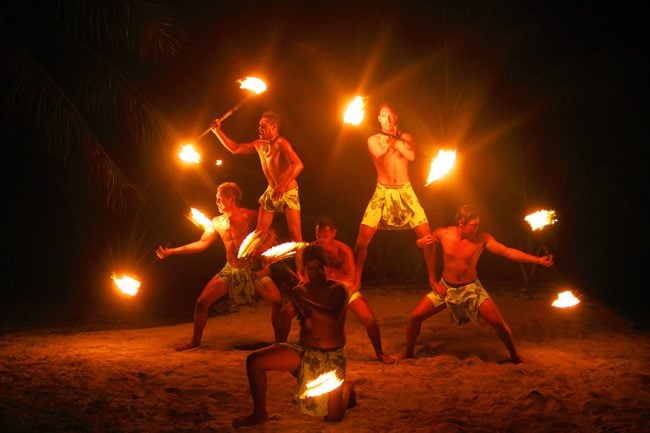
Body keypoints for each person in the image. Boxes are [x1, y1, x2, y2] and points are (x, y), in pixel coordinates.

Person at [398, 204, 555, 364]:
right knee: (415, 316)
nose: (476, 228)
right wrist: (420, 243)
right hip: (446, 287)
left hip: (472, 289)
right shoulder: (443, 234)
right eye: (473, 225)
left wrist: (538, 260)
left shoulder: (482, 238)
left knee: (498, 324)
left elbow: (507, 251)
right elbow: (425, 245)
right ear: (461, 223)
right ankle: (408, 353)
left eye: (478, 225)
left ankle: (515, 356)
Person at [233, 244, 356, 427]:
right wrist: (279, 343)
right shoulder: (300, 291)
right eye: (310, 269)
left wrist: (303, 301)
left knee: (333, 418)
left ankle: (346, 387)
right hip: (304, 351)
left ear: (326, 266)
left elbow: (331, 317)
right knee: (254, 361)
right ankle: (260, 414)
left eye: (319, 267)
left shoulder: (338, 290)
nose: (315, 273)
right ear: (305, 269)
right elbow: (287, 315)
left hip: (332, 356)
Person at [156, 182, 283, 351]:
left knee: (277, 301)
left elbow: (270, 228)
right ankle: (195, 341)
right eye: (216, 199)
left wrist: (266, 245)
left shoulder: (249, 215)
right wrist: (172, 251)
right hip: (230, 270)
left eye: (219, 199)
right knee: (201, 303)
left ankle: (279, 342)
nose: (216, 202)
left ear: (232, 199)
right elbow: (202, 243)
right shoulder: (216, 222)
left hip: (252, 269)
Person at [353, 102, 436, 291]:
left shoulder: (406, 137)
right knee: (361, 240)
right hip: (383, 191)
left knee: (428, 237)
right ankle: (356, 280)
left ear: (396, 117)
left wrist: (397, 141)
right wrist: (392, 143)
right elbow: (381, 157)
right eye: (383, 116)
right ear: (379, 119)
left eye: (391, 115)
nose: (388, 119)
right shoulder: (373, 139)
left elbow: (411, 155)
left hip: (405, 191)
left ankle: (432, 279)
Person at [299, 215, 395, 364]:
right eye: (318, 235)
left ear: (333, 233)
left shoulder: (344, 251)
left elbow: (350, 280)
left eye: (324, 236)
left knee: (369, 319)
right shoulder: (312, 250)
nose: (321, 239)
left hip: (344, 291)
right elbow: (306, 277)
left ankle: (380, 353)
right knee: (293, 313)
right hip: (321, 292)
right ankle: (287, 348)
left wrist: (330, 284)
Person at [211, 111, 304, 242]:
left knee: (295, 234)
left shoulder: (281, 143)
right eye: (259, 125)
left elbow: (298, 164)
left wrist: (283, 185)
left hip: (288, 191)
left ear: (274, 127)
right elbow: (235, 149)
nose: (259, 128)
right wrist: (217, 132)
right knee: (260, 231)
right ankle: (256, 260)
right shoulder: (259, 144)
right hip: (271, 191)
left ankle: (302, 262)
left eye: (263, 126)